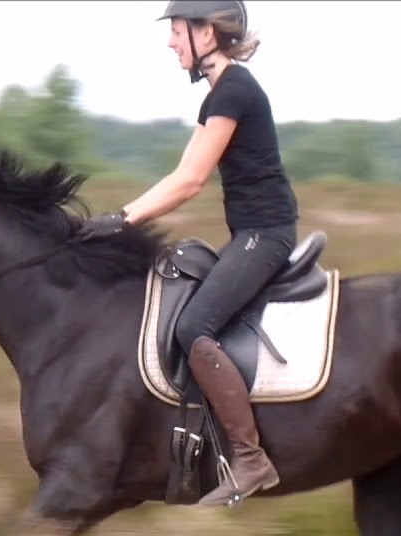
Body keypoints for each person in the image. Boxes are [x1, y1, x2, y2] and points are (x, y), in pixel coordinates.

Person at [78, 0, 300, 507]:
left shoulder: (235, 90)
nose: (171, 41)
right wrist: (120, 215)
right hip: (250, 234)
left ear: (207, 33)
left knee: (194, 326)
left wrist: (123, 221)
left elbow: (192, 181)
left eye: (178, 31)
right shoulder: (219, 95)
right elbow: (180, 172)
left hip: (265, 235)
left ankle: (250, 459)